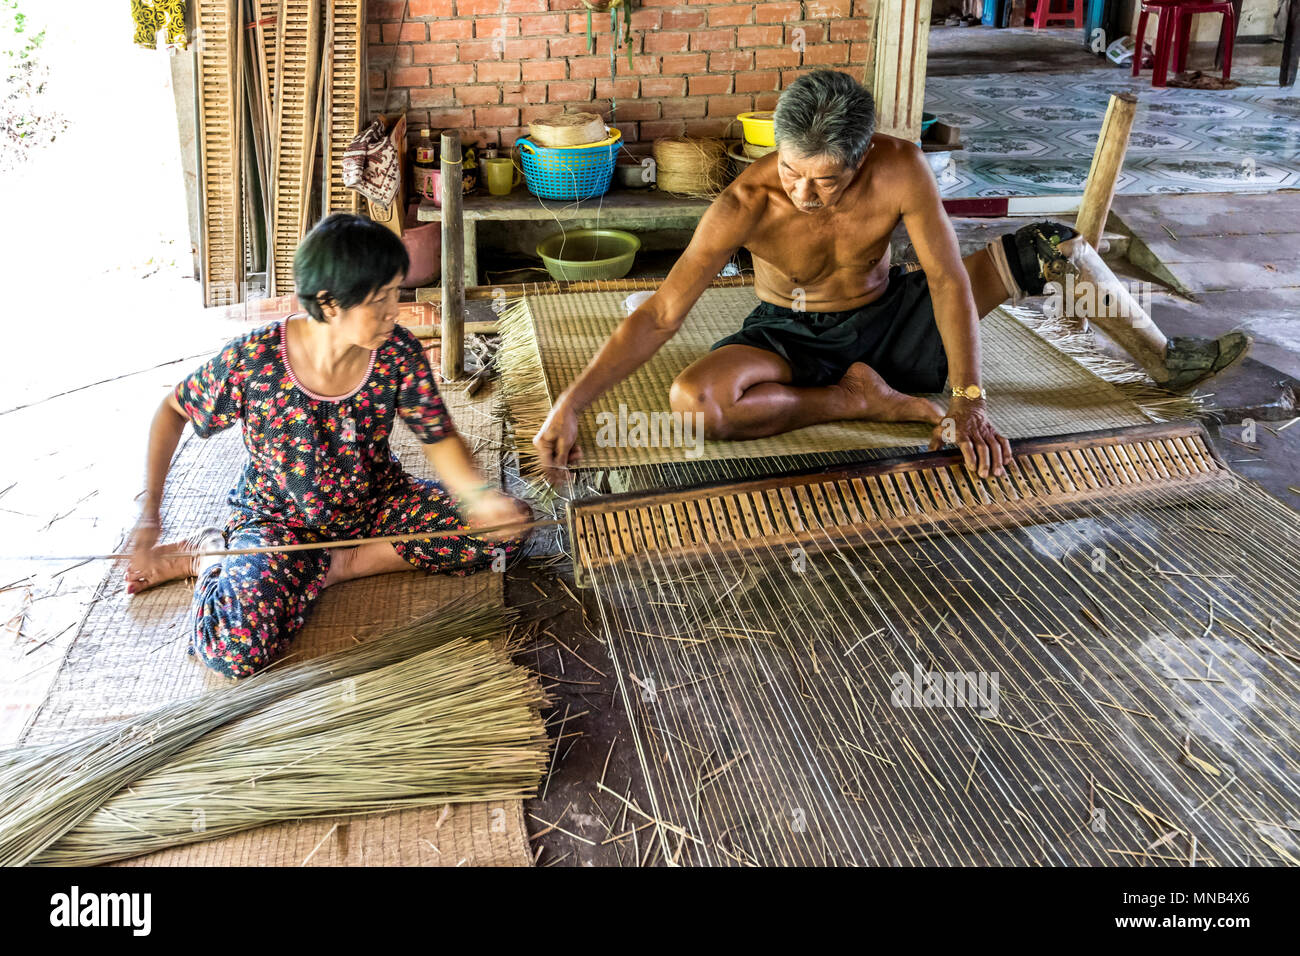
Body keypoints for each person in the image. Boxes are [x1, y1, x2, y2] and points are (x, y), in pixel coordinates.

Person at [532, 70, 1249, 486]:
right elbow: (660, 316)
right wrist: (570, 403)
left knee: (1054, 246)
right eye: (791, 172)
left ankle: (1162, 357)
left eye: (827, 180)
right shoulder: (743, 202)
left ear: (864, 153)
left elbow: (945, 281)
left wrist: (969, 400)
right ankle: (855, 400)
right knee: (698, 404)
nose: (805, 196)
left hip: (895, 318)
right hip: (791, 340)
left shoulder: (901, 167)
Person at [125, 213, 532, 679]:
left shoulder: (396, 353)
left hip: (377, 503)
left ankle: (340, 564)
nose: (393, 311)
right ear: (329, 303)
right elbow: (173, 411)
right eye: (378, 301)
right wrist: (149, 514)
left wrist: (479, 498)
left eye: (396, 293)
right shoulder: (254, 360)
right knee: (236, 647)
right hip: (279, 520)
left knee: (507, 531)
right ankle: (210, 554)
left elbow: (438, 436)